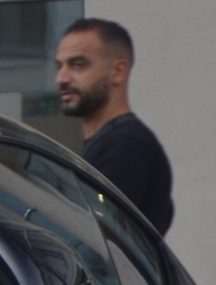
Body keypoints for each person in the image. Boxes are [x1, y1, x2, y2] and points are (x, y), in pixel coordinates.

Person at [54, 17, 173, 234]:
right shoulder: (111, 142)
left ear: (118, 71)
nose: (61, 78)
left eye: (78, 65)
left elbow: (92, 238)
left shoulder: (127, 145)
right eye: (59, 66)